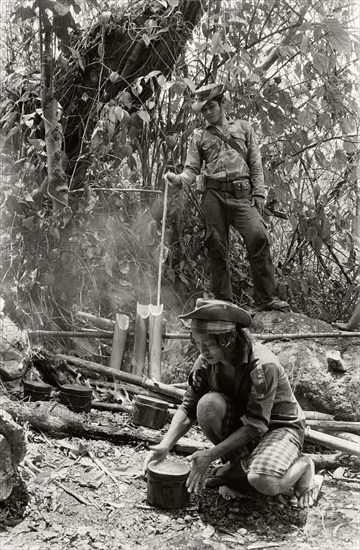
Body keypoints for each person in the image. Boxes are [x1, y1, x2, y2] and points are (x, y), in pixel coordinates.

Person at [143, 298, 317, 508]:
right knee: (207, 405)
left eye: (208, 344)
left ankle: (304, 466)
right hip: (246, 424)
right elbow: (188, 407)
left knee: (263, 481)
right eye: (198, 343)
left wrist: (211, 455)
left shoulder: (262, 365)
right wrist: (165, 445)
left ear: (228, 339)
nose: (203, 351)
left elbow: (256, 424)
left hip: (279, 427)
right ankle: (237, 466)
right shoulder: (205, 363)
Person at [166, 83, 289, 312]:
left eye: (211, 107)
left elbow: (255, 163)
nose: (208, 113)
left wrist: (259, 193)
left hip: (242, 194)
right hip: (213, 195)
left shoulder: (243, 128)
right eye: (204, 110)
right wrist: (179, 179)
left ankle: (266, 299)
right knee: (217, 246)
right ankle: (224, 302)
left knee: (258, 236)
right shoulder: (200, 136)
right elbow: (191, 169)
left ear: (222, 104)